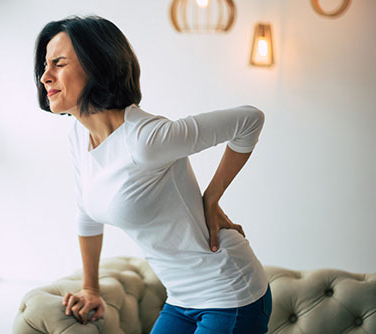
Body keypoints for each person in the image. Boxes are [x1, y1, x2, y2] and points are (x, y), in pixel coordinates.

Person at [34, 15, 272, 334]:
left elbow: (249, 120)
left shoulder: (144, 139)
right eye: (45, 65)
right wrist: (91, 288)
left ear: (97, 65)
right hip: (180, 298)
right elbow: (87, 215)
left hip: (229, 294)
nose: (45, 77)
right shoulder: (79, 137)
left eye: (58, 63)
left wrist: (211, 198)